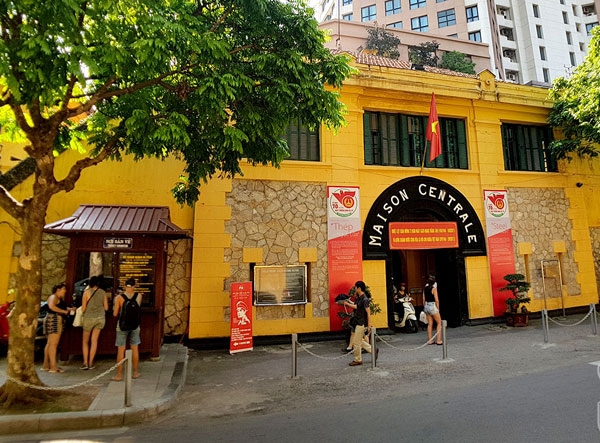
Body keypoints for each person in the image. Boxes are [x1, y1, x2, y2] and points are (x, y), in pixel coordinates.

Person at [112, 277, 142, 381]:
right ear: (134, 286)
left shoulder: (119, 298)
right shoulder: (139, 296)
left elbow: (115, 314)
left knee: (121, 349)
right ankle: (135, 372)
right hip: (135, 325)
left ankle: (119, 374)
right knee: (135, 348)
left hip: (122, 325)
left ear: (125, 286)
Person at [343, 281, 379, 366]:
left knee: (356, 342)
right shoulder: (359, 297)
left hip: (361, 323)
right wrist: (348, 302)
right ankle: (373, 350)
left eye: (355, 287)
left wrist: (369, 325)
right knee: (358, 340)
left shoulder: (365, 299)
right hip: (358, 321)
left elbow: (367, 312)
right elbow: (356, 305)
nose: (355, 289)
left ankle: (358, 359)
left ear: (359, 288)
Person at [42, 283, 75, 373]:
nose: (65, 291)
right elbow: (52, 306)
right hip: (54, 319)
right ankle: (53, 366)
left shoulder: (57, 298)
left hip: (51, 319)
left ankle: (46, 364)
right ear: (58, 290)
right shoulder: (54, 297)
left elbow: (59, 306)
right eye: (63, 289)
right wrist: (63, 311)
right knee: (53, 344)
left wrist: (69, 309)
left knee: (49, 343)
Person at [80, 275, 109, 370]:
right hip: (100, 318)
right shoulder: (103, 293)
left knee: (85, 341)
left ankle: (85, 362)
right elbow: (106, 308)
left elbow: (83, 308)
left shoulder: (86, 293)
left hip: (89, 318)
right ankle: (91, 362)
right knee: (94, 341)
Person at [424, 275, 443, 345]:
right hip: (433, 306)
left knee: (430, 324)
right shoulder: (434, 289)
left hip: (426, 306)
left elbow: (423, 298)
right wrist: (438, 308)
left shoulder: (425, 288)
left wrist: (424, 307)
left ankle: (430, 340)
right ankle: (439, 340)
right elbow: (437, 300)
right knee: (439, 323)